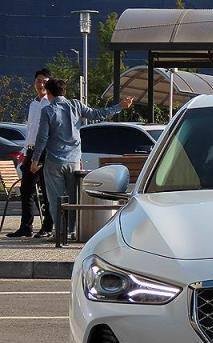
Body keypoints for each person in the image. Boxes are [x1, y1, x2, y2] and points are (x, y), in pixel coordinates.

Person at [30, 79, 133, 239]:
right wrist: (119, 106)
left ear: (48, 93)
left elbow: (42, 138)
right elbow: (97, 114)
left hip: (54, 161)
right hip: (74, 160)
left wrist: (35, 160)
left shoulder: (48, 110)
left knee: (56, 199)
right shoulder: (76, 105)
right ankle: (72, 231)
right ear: (64, 92)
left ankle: (60, 232)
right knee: (74, 198)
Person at [6, 68, 54, 238]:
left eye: (44, 81)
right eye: (38, 81)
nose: (41, 84)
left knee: (46, 190)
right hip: (31, 151)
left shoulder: (51, 104)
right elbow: (31, 130)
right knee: (26, 189)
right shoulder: (33, 104)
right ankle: (26, 227)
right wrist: (26, 151)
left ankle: (47, 227)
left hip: (45, 151)